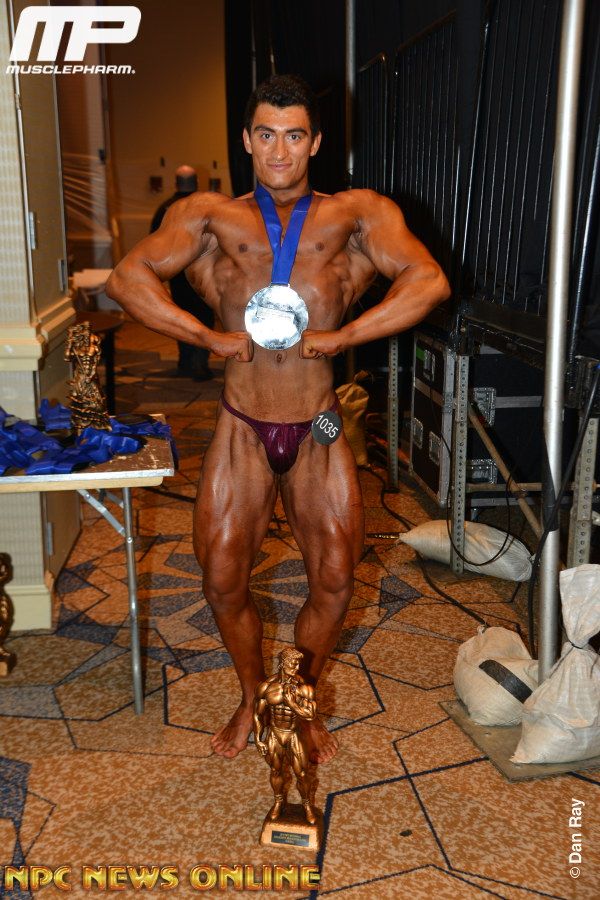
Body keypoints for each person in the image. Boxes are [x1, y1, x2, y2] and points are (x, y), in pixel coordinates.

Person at [107, 74, 450, 764]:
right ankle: (251, 696)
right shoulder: (210, 216)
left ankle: (297, 699)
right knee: (221, 578)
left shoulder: (356, 214)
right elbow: (127, 278)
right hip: (242, 423)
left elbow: (429, 281)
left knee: (336, 579)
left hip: (320, 425)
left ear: (315, 142)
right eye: (266, 134)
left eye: (295, 136)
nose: (280, 151)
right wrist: (203, 336)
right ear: (246, 140)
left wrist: (345, 336)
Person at [150, 165, 215, 380]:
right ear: (197, 182)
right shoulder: (207, 207)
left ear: (176, 183)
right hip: (203, 273)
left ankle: (185, 362)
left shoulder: (165, 209)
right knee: (204, 316)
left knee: (180, 316)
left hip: (177, 275)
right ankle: (200, 363)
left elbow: (153, 244)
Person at [253, 647, 317, 825]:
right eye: (292, 663)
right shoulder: (266, 687)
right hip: (274, 734)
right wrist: (258, 739)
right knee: (275, 770)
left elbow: (310, 715)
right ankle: (278, 801)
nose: (296, 667)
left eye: (298, 664)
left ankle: (307, 805)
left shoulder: (304, 688)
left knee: (302, 774)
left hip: (294, 734)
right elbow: (257, 715)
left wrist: (292, 704)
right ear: (282, 663)